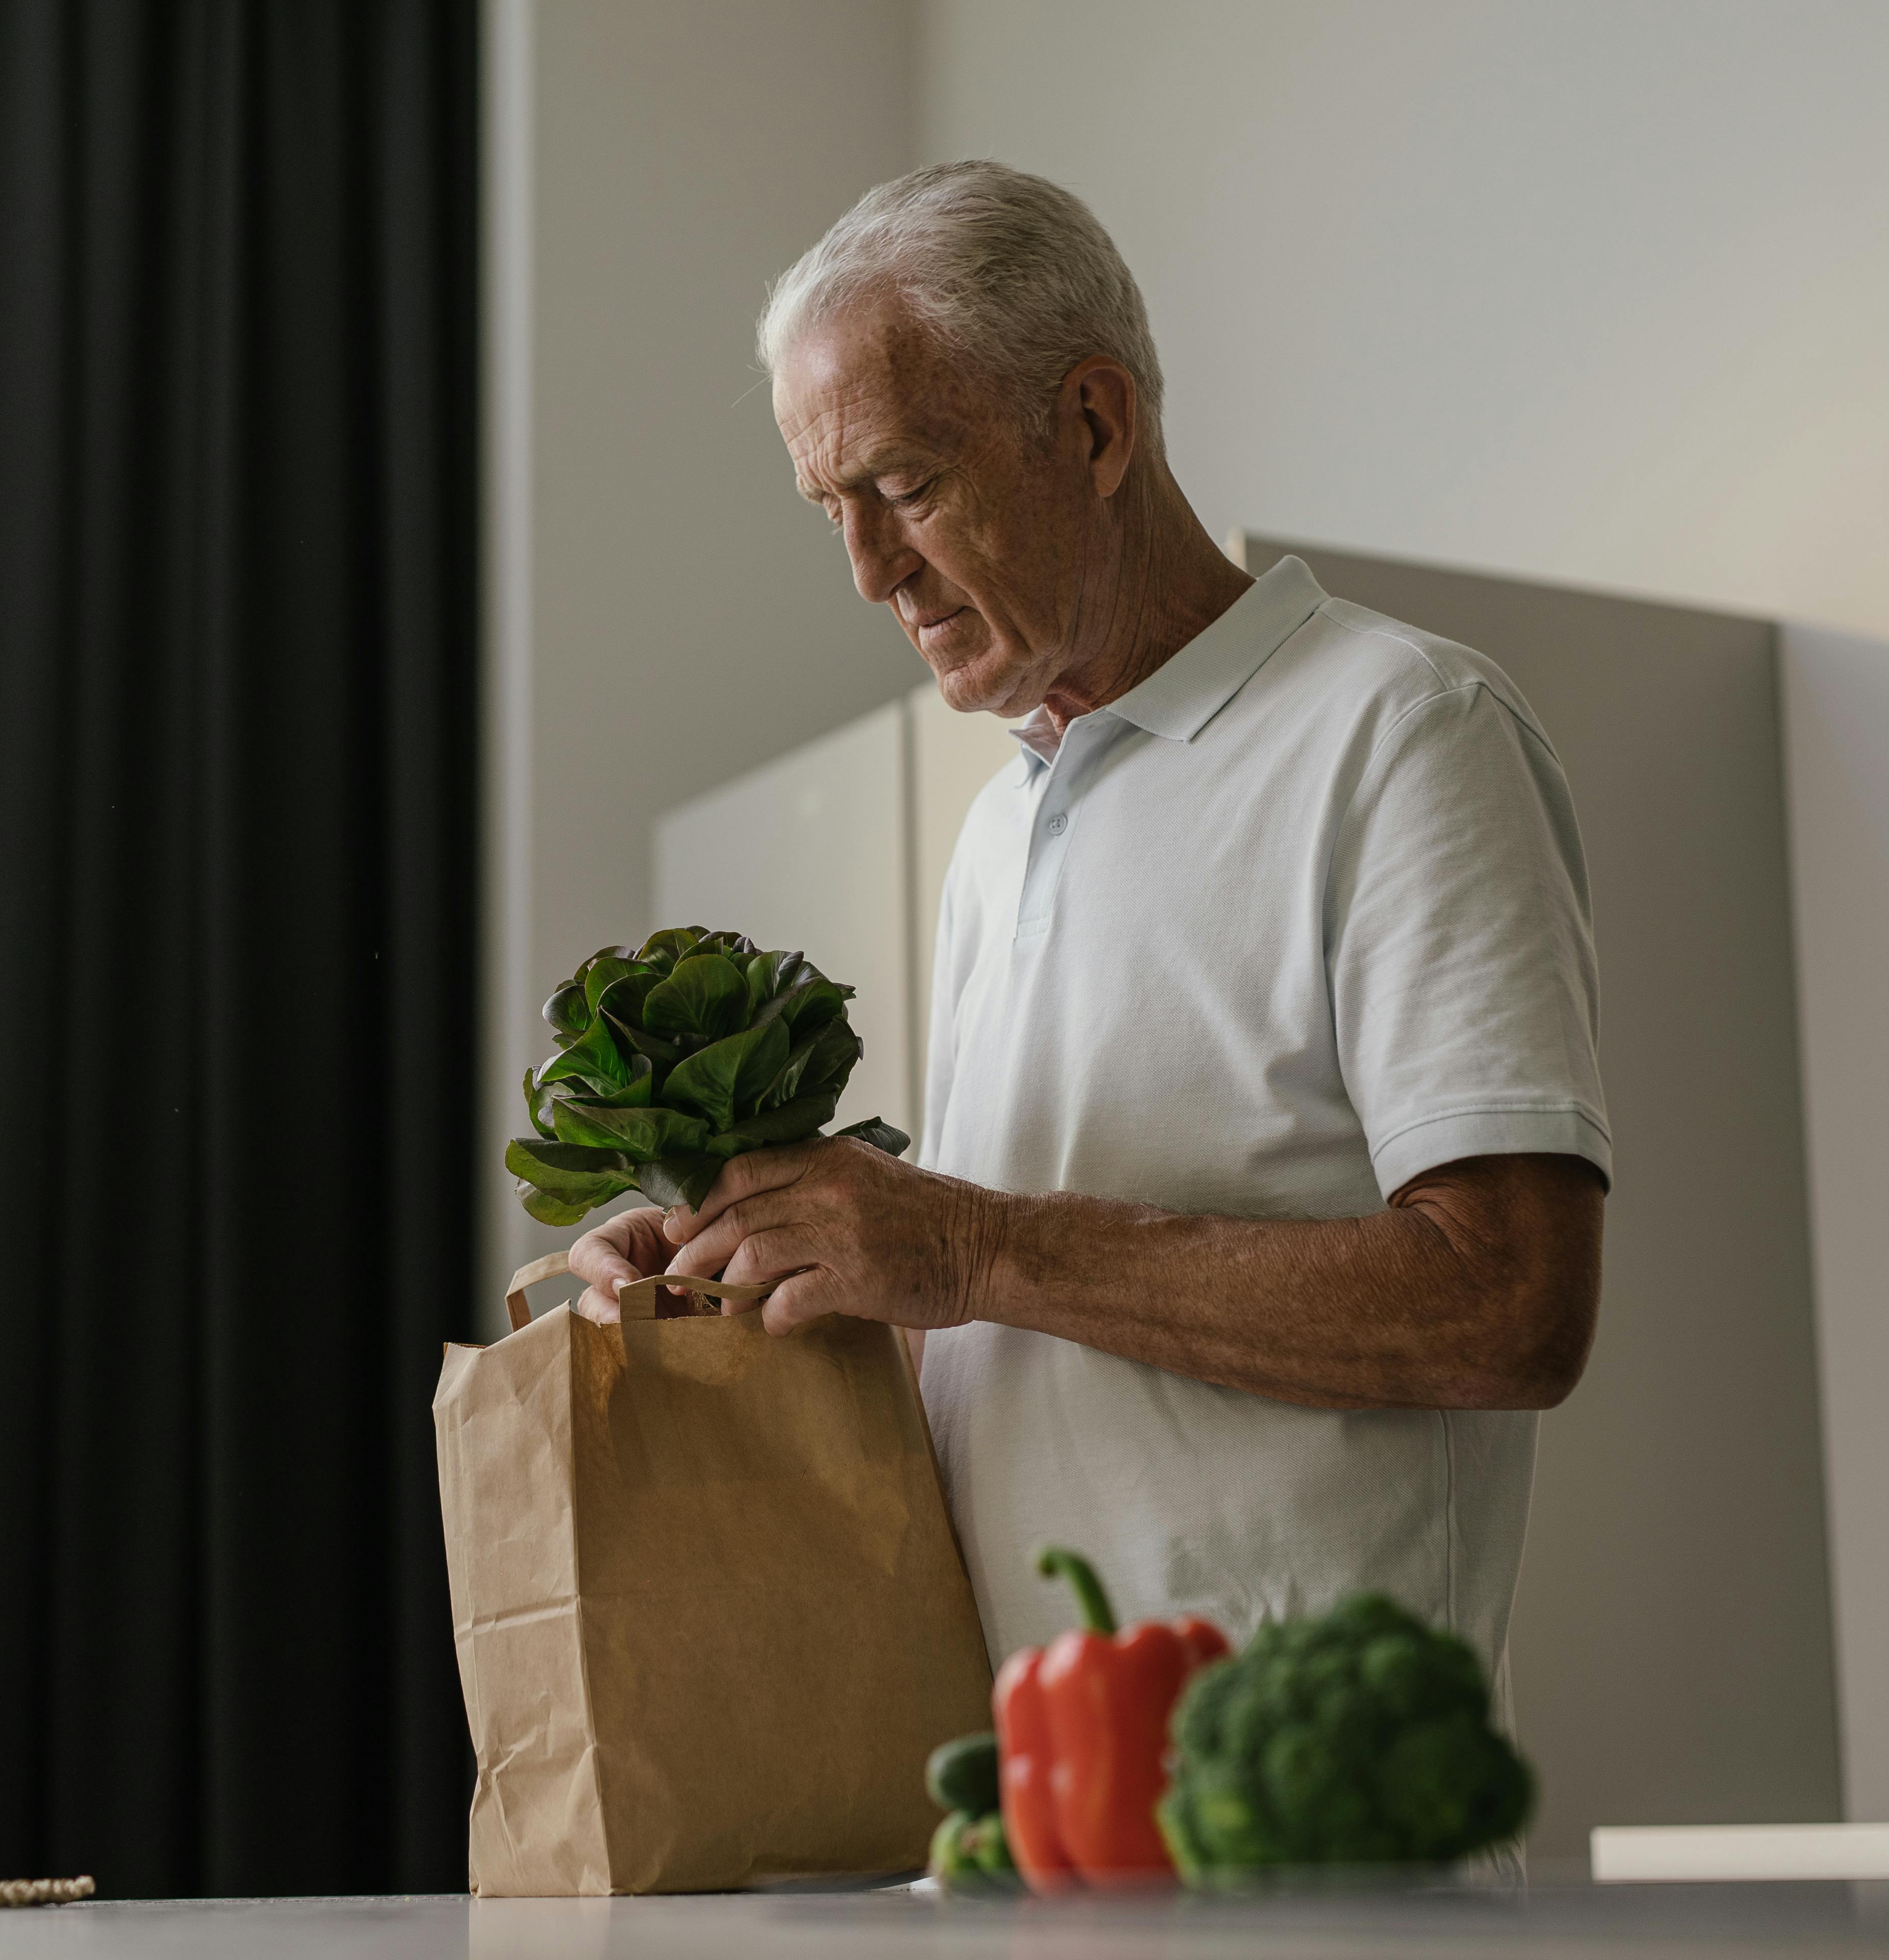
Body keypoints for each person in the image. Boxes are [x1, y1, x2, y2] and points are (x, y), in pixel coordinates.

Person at [566, 161, 1608, 1679]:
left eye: (906, 487)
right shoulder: (1001, 826)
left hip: (1308, 1863)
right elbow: (987, 1339)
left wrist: (978, 1246)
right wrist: (757, 1269)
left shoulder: (1402, 729)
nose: (868, 573)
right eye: (830, 511)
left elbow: (1513, 1305)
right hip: (1021, 1838)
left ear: (1095, 424)